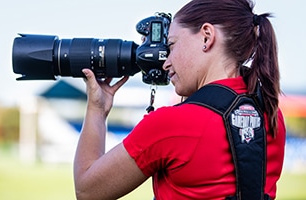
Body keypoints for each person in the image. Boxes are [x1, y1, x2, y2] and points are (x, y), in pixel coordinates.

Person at [73, 0, 286, 199]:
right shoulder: (270, 114)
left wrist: (97, 108)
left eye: (172, 45)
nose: (165, 63)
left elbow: (87, 191)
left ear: (206, 37)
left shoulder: (172, 124)